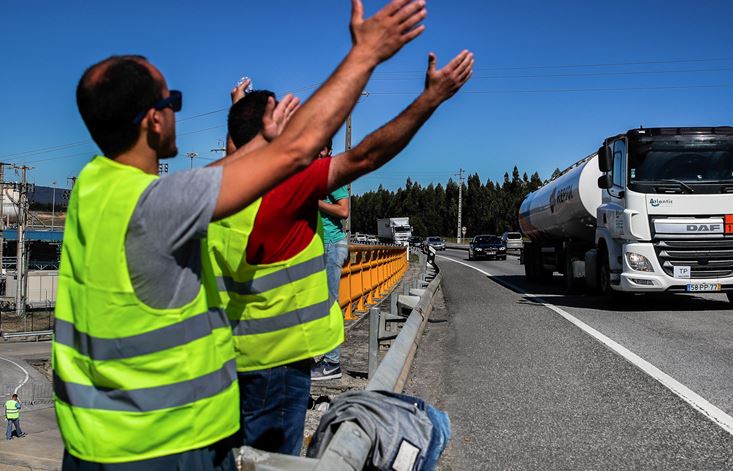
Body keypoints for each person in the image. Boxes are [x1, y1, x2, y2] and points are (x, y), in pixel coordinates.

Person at [53, 1, 427, 468]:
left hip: (93, 442)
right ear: (153, 120)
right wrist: (366, 54)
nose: (176, 113)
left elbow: (208, 177)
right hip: (165, 445)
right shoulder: (160, 207)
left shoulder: (95, 187)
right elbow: (302, 152)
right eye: (174, 103)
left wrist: (250, 138)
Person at [208, 49, 473, 455]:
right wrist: (429, 100)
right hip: (281, 360)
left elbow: (237, 153)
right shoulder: (286, 189)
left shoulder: (204, 191)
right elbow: (367, 154)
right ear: (272, 131)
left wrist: (240, 117)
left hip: (224, 357)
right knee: (275, 461)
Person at [312, 139, 350, 381]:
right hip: (317, 245)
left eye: (322, 149)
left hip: (331, 245)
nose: (317, 152)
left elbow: (344, 211)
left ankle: (332, 362)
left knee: (329, 303)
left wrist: (314, 201)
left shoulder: (330, 175)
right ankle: (316, 357)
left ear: (328, 151)